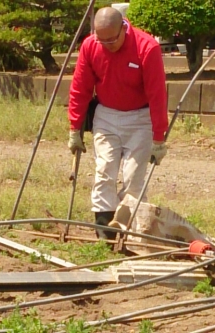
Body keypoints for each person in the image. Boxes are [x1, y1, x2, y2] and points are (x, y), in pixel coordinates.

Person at [67, 7, 168, 240]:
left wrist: (158, 137)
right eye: (102, 41)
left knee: (134, 177)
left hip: (140, 119)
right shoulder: (91, 46)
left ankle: (130, 226)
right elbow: (80, 88)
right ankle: (105, 229)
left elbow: (157, 95)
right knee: (104, 170)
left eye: (112, 40)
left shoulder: (147, 47)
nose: (107, 45)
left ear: (124, 27)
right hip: (106, 115)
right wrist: (74, 128)